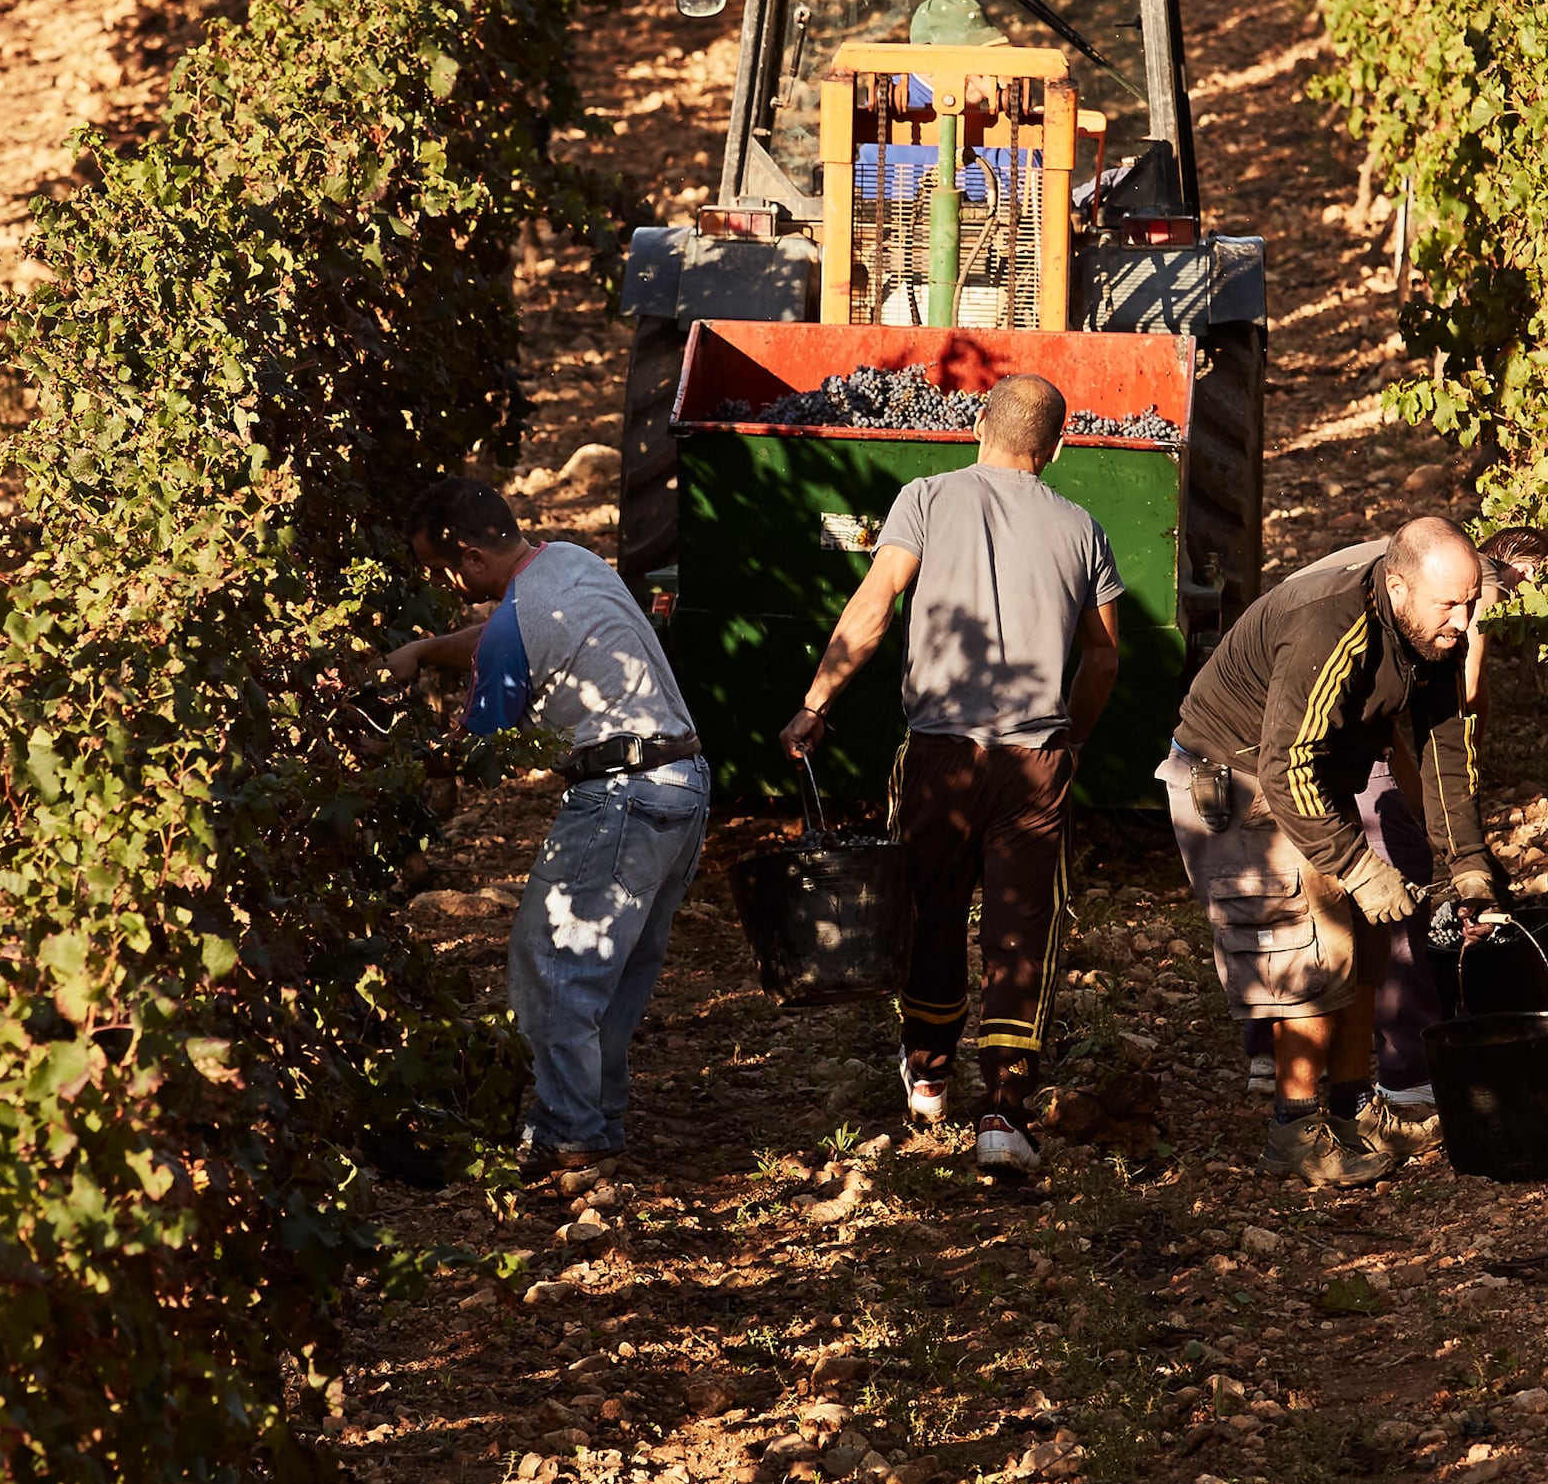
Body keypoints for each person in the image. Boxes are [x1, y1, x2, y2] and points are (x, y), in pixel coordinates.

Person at [778, 371, 1122, 1178]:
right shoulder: (1084, 528)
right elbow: (1104, 653)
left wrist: (817, 700)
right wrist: (1071, 736)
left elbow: (875, 604)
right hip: (1035, 760)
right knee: (1019, 928)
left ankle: (928, 1070)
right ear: (1059, 446)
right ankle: (1003, 1110)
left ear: (978, 426)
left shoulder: (926, 498)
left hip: (940, 753)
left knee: (930, 907)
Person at [381, 477, 713, 1173]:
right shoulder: (570, 562)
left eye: (442, 568)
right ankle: (598, 1116)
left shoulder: (514, 623)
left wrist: (384, 751)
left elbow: (479, 756)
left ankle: (569, 1131)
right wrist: (422, 650)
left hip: (622, 795)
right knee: (615, 972)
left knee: (551, 963)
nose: (445, 581)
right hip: (683, 784)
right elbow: (498, 631)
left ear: (470, 558)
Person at [1161, 518, 1496, 1184]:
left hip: (1311, 773)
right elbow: (1286, 769)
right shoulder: (1332, 626)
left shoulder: (1430, 633)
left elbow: (1441, 748)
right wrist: (1361, 867)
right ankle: (1296, 1131)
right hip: (1240, 775)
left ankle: (1350, 1110)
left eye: (1470, 602)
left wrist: (1469, 866)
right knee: (1312, 946)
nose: (1463, 620)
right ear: (1397, 586)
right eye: (1448, 605)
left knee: (1363, 935)